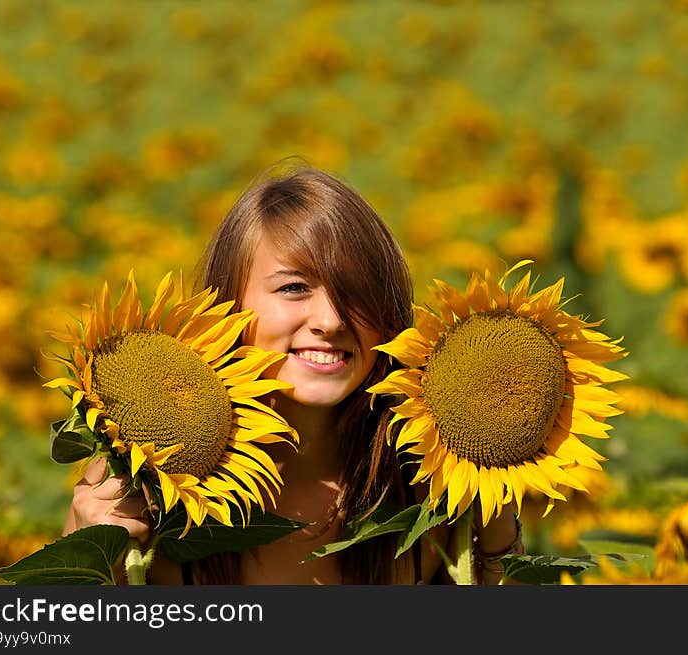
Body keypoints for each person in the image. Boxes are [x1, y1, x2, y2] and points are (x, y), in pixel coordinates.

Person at [62, 161, 524, 584]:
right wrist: (90, 557)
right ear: (228, 302)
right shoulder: (149, 485)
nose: (331, 320)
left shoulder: (432, 484)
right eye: (294, 287)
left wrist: (495, 528)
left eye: (355, 292)